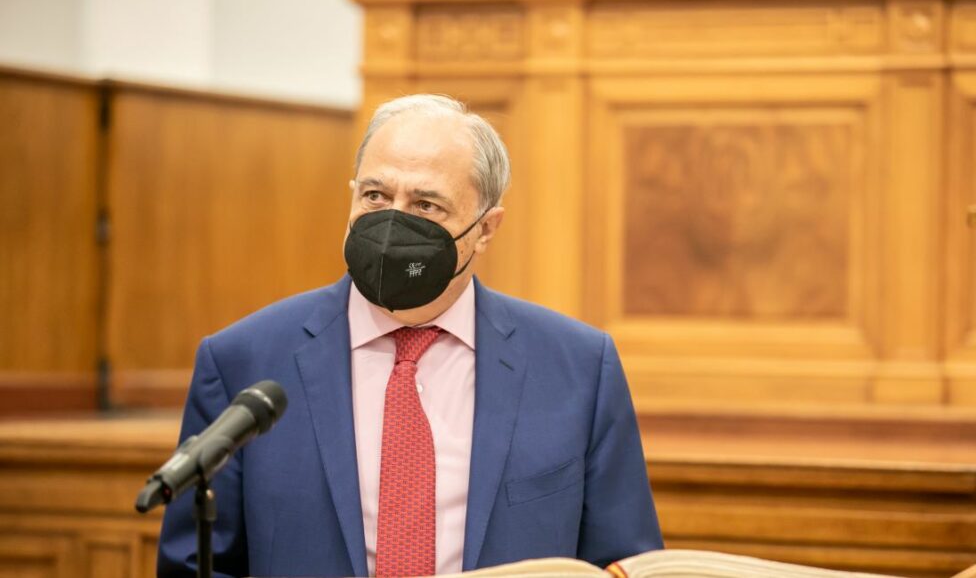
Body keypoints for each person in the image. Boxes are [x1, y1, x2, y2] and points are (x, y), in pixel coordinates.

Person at [158, 94, 663, 577]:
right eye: (375, 195)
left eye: (425, 205)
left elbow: (625, 565)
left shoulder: (578, 368)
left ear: (485, 229)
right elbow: (198, 565)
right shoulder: (243, 361)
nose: (391, 223)